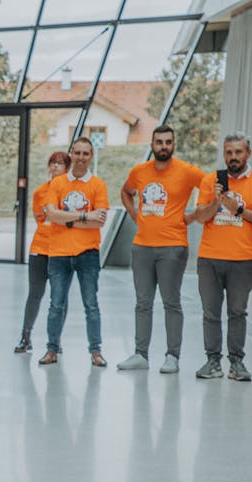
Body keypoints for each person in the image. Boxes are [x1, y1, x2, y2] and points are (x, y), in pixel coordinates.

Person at [117, 125, 206, 374]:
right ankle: (140, 354)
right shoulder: (139, 171)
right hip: (142, 247)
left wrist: (194, 215)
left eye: (168, 142)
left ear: (173, 144)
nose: (164, 146)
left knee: (171, 303)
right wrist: (135, 215)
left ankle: (172, 356)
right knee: (142, 303)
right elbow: (125, 192)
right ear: (152, 145)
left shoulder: (187, 171)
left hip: (173, 247)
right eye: (159, 142)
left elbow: (211, 186)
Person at [38, 137, 109, 367]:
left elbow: (99, 221)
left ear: (91, 156)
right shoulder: (58, 183)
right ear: (72, 154)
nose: (80, 157)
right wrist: (84, 216)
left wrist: (66, 219)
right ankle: (52, 349)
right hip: (59, 253)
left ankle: (96, 351)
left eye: (85, 153)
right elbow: (51, 214)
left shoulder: (98, 185)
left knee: (91, 304)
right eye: (77, 153)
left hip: (88, 253)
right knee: (56, 304)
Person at [191, 133, 252, 381]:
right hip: (209, 258)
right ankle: (213, 361)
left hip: (243, 259)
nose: (233, 157)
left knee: (237, 312)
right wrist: (216, 202)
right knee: (211, 313)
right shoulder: (211, 180)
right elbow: (200, 217)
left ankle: (236, 363)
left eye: (238, 152)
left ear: (248, 154)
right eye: (229, 152)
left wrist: (237, 209)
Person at [15, 151, 71, 353]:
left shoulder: (72, 192)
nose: (55, 166)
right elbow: (41, 217)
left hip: (62, 250)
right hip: (40, 248)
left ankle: (55, 341)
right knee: (35, 294)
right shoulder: (40, 191)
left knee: (59, 299)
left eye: (60, 163)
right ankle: (25, 337)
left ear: (67, 168)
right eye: (53, 162)